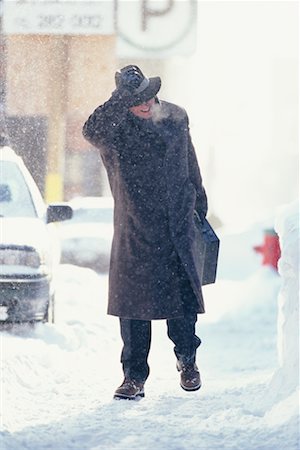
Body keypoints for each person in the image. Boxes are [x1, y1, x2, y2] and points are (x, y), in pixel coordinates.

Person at [82, 65, 208, 400]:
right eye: (136, 99)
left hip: (176, 223)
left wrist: (199, 203)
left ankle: (188, 361)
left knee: (182, 304)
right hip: (135, 227)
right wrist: (119, 99)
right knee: (134, 307)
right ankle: (134, 377)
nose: (146, 103)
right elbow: (90, 131)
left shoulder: (176, 118)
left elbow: (190, 161)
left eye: (148, 95)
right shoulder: (115, 127)